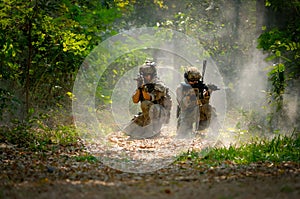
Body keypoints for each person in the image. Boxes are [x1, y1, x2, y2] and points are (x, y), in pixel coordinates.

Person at [123, 59, 172, 139]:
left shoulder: (159, 85)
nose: (146, 77)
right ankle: (148, 130)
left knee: (145, 103)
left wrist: (143, 89)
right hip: (149, 114)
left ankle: (152, 131)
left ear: (153, 74)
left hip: (160, 114)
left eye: (148, 75)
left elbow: (148, 98)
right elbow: (135, 100)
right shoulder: (143, 84)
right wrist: (139, 88)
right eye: (144, 75)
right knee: (128, 130)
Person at [176, 66, 216, 138]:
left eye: (196, 81)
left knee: (210, 109)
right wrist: (190, 94)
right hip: (186, 116)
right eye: (192, 81)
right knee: (182, 136)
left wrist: (208, 92)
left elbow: (204, 103)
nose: (194, 83)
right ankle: (188, 132)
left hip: (199, 119)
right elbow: (183, 105)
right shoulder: (181, 88)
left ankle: (216, 132)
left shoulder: (199, 87)